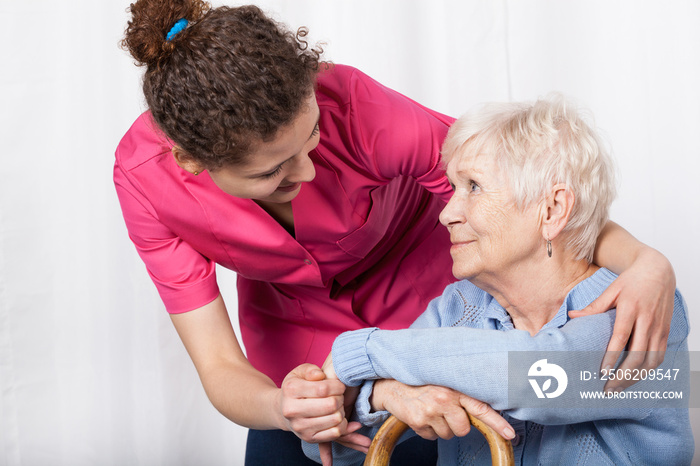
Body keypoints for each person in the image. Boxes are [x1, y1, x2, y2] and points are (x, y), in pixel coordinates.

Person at [115, 1, 678, 463]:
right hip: (310, 357)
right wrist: (365, 391)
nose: (447, 210)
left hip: (400, 319)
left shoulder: (648, 313)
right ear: (194, 163)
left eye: (312, 139)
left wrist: (646, 260)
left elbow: (532, 378)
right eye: (272, 172)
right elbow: (248, 385)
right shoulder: (457, 317)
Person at [312, 95, 693, 465]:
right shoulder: (457, 307)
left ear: (552, 209)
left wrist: (361, 352)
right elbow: (334, 452)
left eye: (473, 187)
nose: (446, 214)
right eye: (453, 188)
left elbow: (540, 378)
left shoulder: (647, 306)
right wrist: (382, 395)